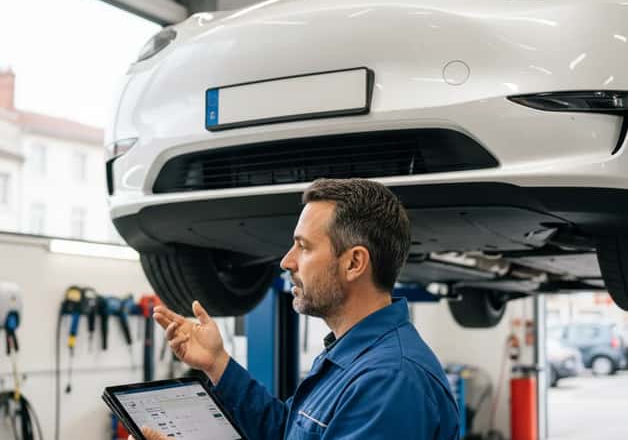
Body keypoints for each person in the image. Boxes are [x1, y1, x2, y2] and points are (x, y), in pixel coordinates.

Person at [133, 178, 460, 440]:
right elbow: (285, 431)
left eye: (303, 246)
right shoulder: (351, 357)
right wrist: (218, 363)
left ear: (354, 263)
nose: (287, 261)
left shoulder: (389, 382)